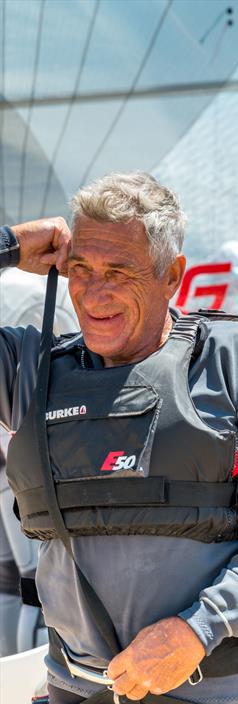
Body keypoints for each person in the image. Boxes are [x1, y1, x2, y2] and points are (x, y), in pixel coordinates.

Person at [0, 175, 238, 704]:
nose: (93, 292)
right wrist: (8, 245)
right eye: (81, 268)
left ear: (172, 275)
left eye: (119, 271)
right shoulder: (30, 369)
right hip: (82, 698)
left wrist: (195, 629)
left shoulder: (234, 356)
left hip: (216, 697)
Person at [0, 231, 77, 656]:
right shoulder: (37, 291)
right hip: (28, 461)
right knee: (34, 585)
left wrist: (9, 243)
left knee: (10, 584)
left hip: (12, 458)